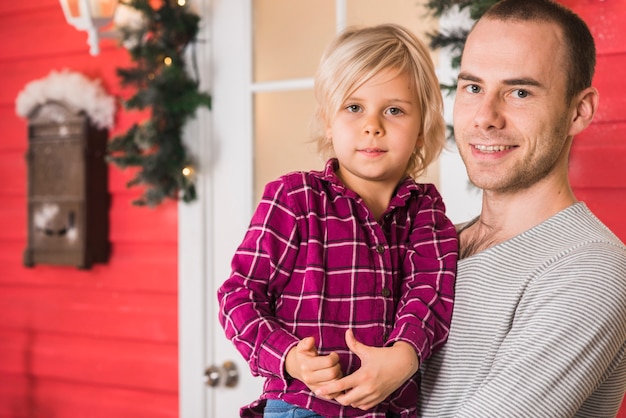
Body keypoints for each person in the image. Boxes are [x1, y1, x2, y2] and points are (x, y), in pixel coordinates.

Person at [217, 24, 458, 417]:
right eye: (354, 107)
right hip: (303, 406)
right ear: (329, 120)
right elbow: (239, 296)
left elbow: (431, 292)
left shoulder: (426, 212)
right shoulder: (294, 199)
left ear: (421, 129)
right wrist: (290, 357)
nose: (372, 125)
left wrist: (404, 355)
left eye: (394, 110)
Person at [415, 0, 626, 416]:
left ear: (579, 111)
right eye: (473, 87)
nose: (485, 118)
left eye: (519, 92)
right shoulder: (434, 244)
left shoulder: (589, 269)